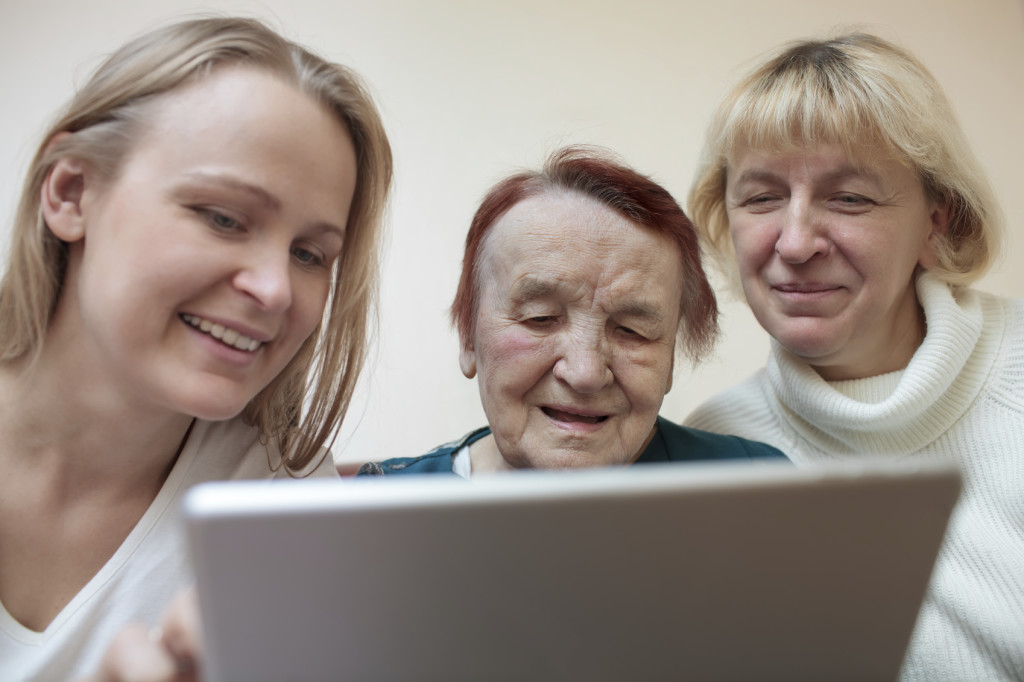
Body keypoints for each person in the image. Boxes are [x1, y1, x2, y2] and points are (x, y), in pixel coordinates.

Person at [0, 16, 392, 681]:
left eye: (309, 254)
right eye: (222, 217)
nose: (273, 290)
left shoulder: (286, 506)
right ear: (70, 192)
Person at [683, 33, 1022, 680]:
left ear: (936, 221)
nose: (796, 240)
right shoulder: (715, 450)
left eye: (850, 198)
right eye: (760, 198)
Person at [360, 147, 785, 477]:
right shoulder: (380, 510)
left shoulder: (757, 488)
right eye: (540, 318)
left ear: (671, 357)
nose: (585, 373)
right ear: (468, 336)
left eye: (633, 330)